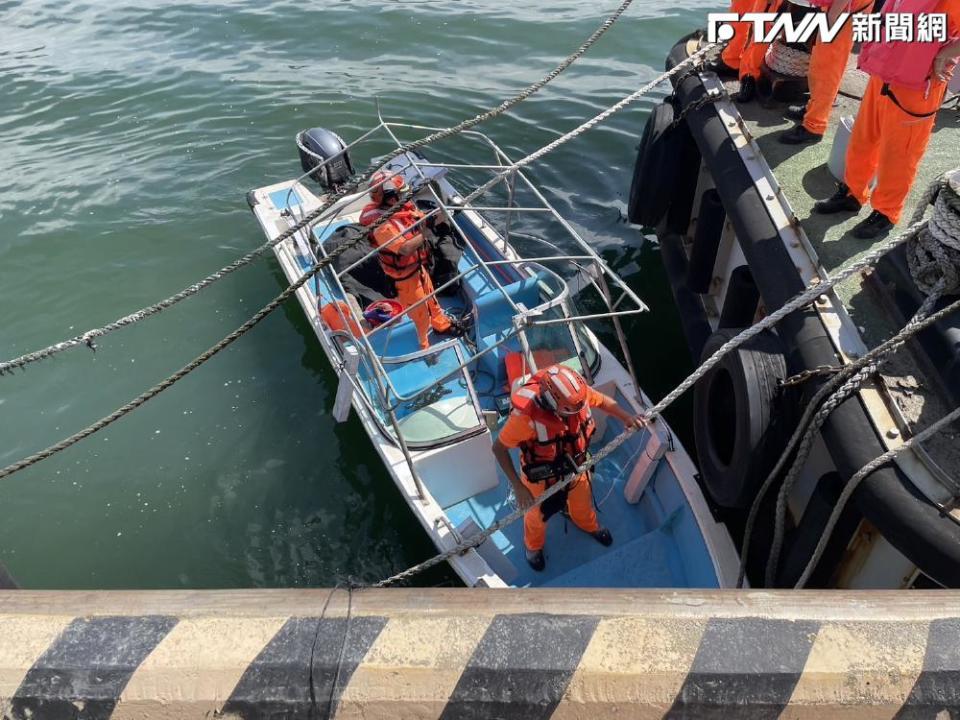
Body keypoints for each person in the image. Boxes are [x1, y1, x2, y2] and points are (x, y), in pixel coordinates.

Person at [813, 0, 960, 238]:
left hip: (917, 86)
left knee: (900, 153)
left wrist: (945, 53)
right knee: (864, 137)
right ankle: (852, 192)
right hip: (883, 74)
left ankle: (886, 213)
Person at [491, 364, 643, 571]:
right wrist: (519, 487)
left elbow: (603, 401)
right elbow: (499, 448)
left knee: (582, 503)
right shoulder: (524, 418)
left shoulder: (576, 396)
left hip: (576, 467)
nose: (578, 411)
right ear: (552, 402)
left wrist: (626, 417)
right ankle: (533, 547)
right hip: (540, 479)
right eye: (571, 410)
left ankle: (588, 525)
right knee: (536, 517)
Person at [779, 0, 876, 144]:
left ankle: (814, 125)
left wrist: (831, 18)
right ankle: (812, 110)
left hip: (843, 14)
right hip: (842, 12)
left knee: (827, 71)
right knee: (820, 66)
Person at [369, 204, 454, 350]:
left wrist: (447, 211)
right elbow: (405, 248)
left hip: (419, 270)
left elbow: (428, 220)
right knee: (421, 317)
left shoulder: (405, 213)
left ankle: (441, 325)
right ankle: (424, 345)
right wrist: (426, 232)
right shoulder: (382, 228)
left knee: (432, 301)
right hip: (405, 282)